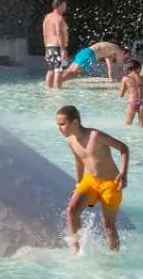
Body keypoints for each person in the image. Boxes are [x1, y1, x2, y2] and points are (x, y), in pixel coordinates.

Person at [55, 105, 130, 254]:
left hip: (110, 183)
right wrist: (78, 183)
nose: (59, 128)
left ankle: (114, 257)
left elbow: (123, 148)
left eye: (62, 124)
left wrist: (123, 173)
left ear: (75, 123)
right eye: (58, 125)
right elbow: (79, 161)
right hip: (91, 180)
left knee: (108, 225)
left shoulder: (95, 136)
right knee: (71, 210)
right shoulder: (71, 140)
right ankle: (76, 251)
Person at [60, 40, 129, 85]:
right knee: (74, 73)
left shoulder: (109, 51)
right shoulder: (119, 51)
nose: (125, 58)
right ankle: (59, 81)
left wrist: (111, 79)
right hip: (89, 55)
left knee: (70, 70)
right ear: (124, 52)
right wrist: (125, 81)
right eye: (126, 56)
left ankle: (57, 79)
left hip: (84, 51)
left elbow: (109, 69)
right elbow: (120, 68)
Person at [41, 0, 70, 89]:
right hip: (57, 46)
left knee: (51, 69)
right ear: (59, 6)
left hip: (49, 46)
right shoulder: (59, 18)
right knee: (59, 70)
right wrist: (63, 49)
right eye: (64, 6)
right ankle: (58, 91)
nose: (65, 8)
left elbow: (45, 33)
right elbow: (58, 33)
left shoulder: (47, 17)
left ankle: (48, 90)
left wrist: (46, 47)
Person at [120, 59, 143, 128]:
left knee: (128, 124)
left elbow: (121, 94)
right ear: (138, 68)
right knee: (142, 124)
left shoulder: (125, 78)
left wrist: (128, 91)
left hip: (132, 101)